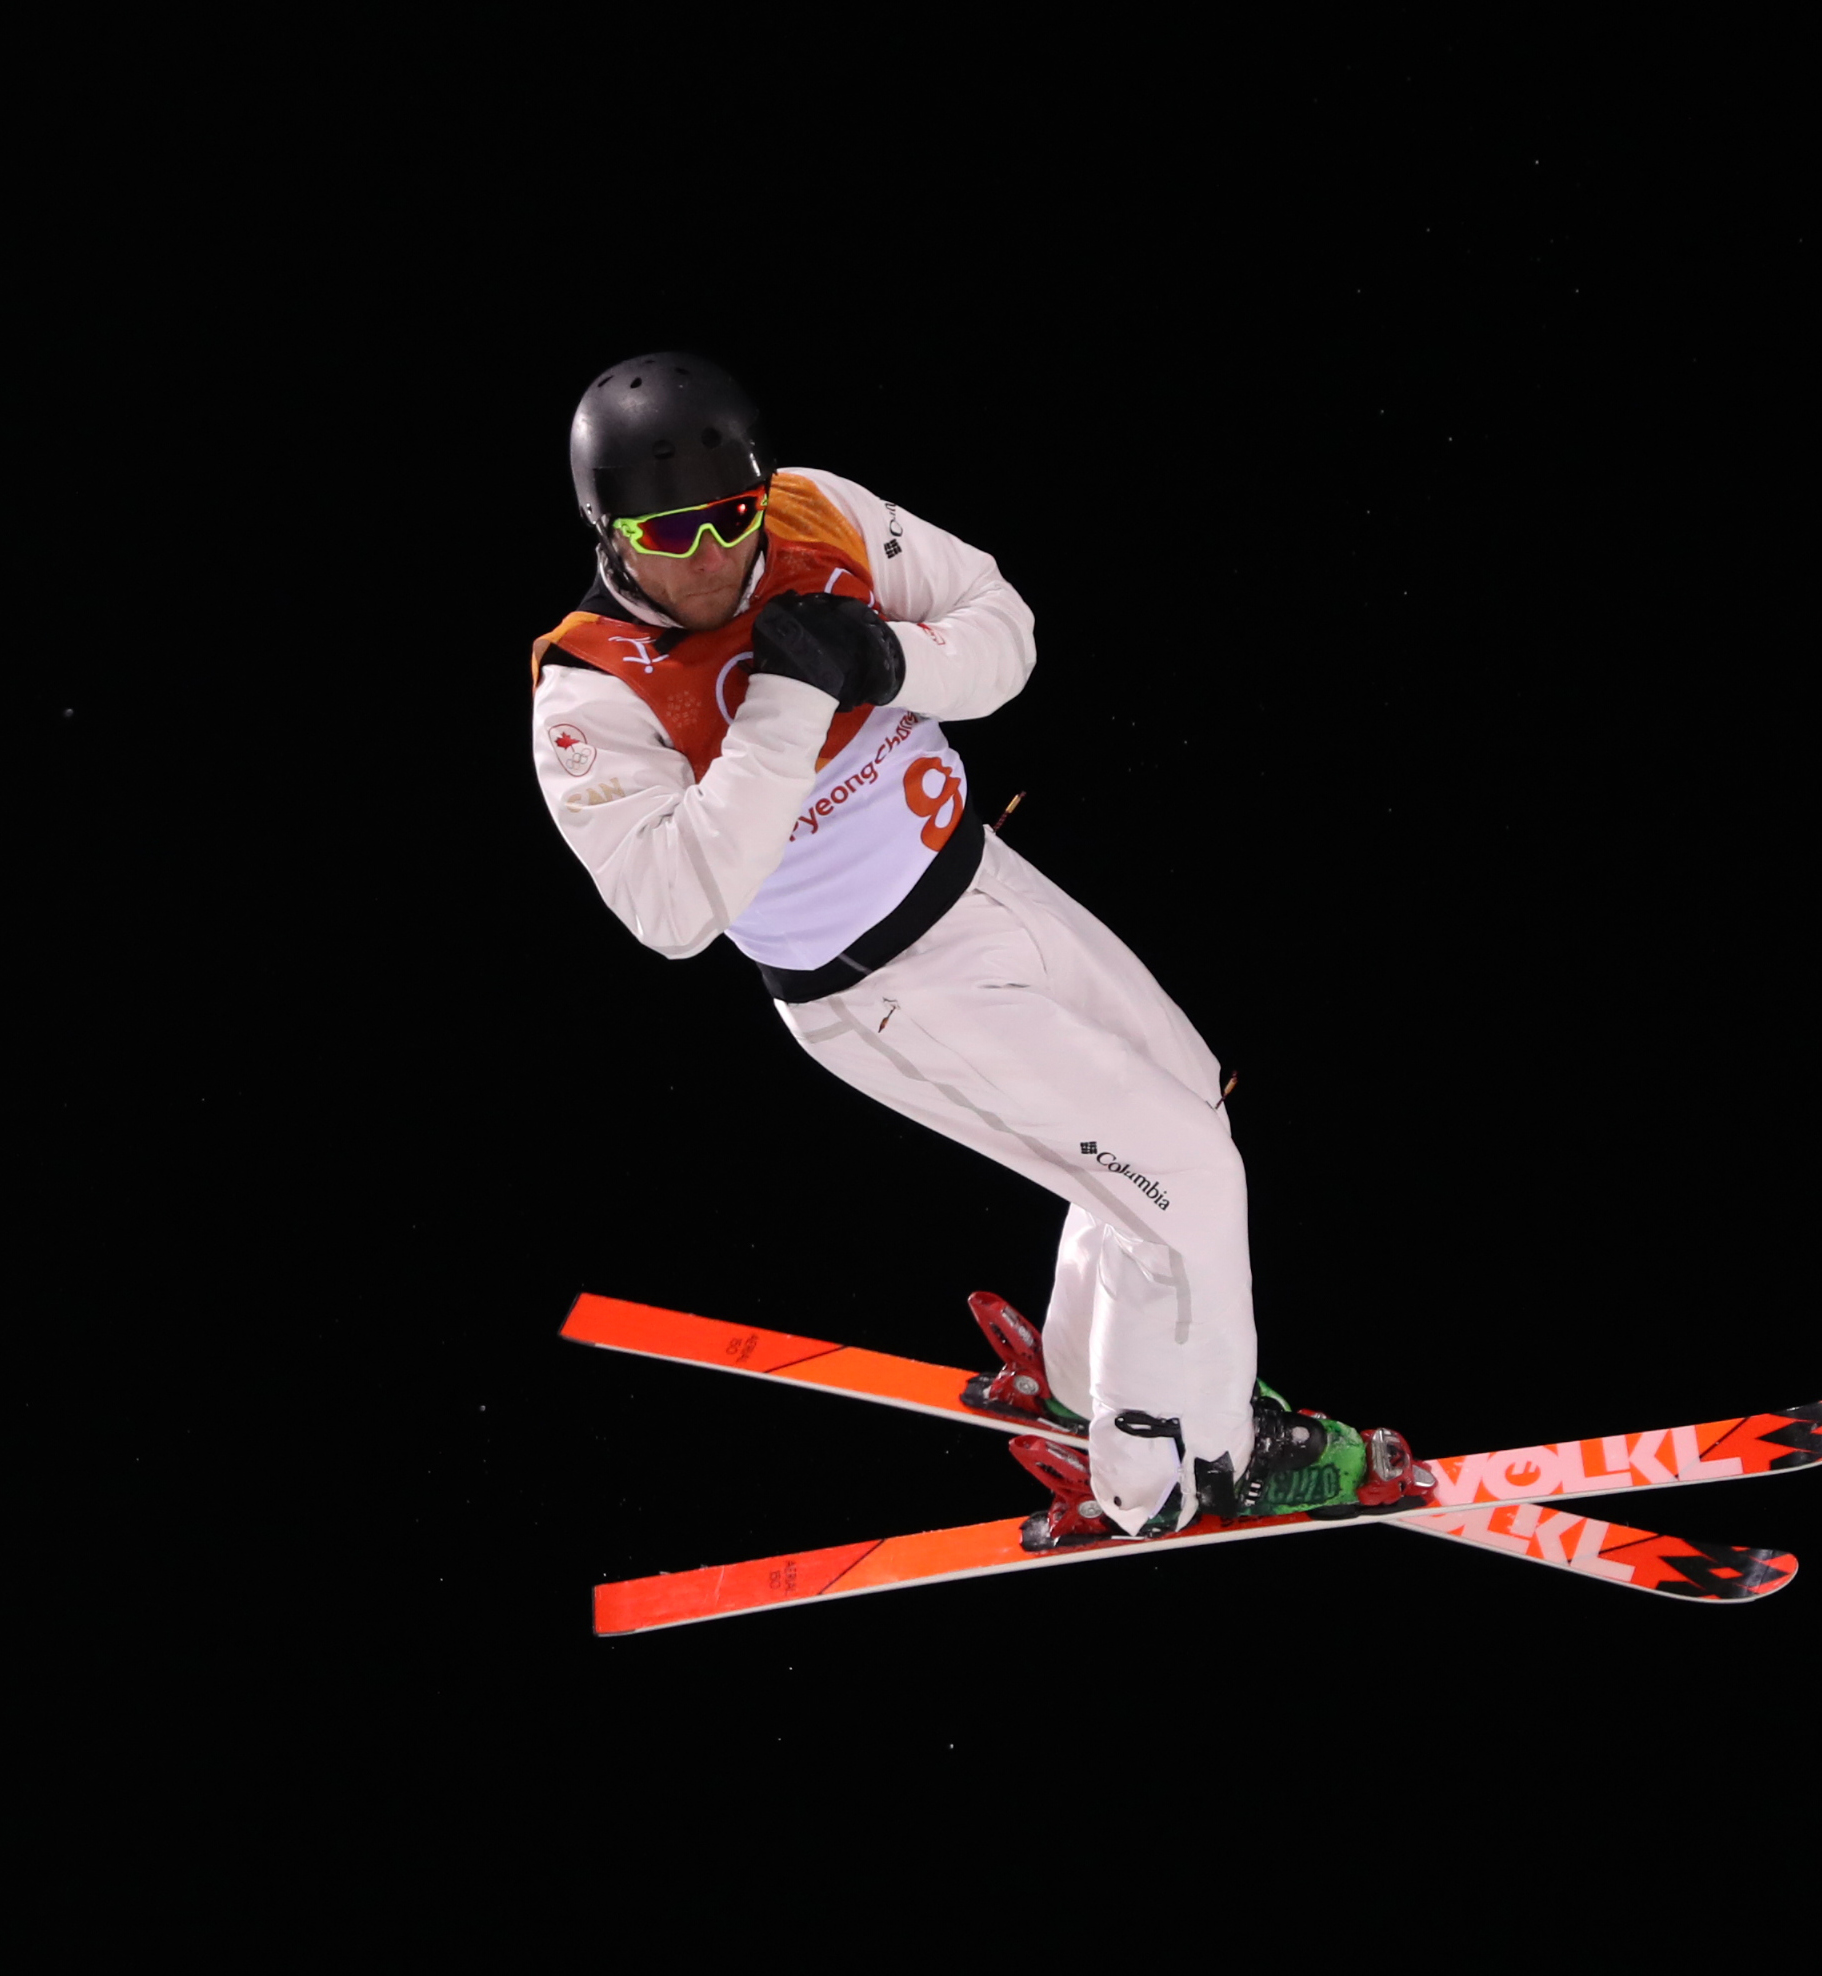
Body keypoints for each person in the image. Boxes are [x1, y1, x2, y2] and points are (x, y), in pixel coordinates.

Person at [528, 352, 1426, 1543]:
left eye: (728, 516)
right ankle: (1187, 1468)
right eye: (663, 532)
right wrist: (790, 703)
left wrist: (894, 660)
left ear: (757, 490)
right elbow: (675, 911)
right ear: (606, 528)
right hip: (879, 989)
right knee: (1187, 1186)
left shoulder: (816, 511)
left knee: (1185, 1114)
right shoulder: (588, 697)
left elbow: (1002, 628)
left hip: (980, 880)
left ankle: (1081, 1378)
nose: (705, 558)